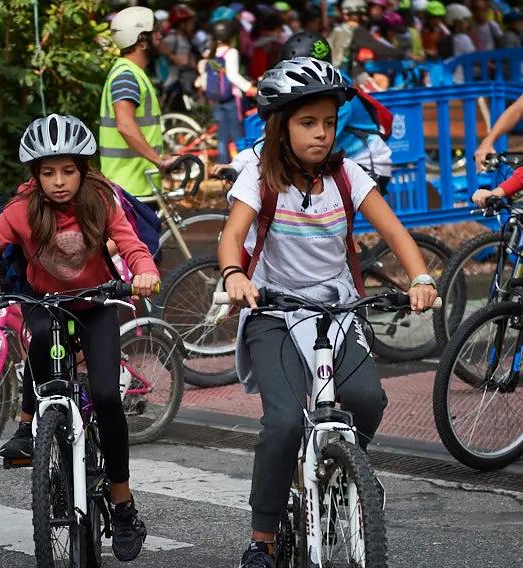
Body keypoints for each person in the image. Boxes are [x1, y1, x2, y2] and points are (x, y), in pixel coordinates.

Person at [217, 57, 437, 568]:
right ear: (280, 126)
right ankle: (262, 537)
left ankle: (344, 465)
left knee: (367, 398)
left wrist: (421, 277)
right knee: (283, 423)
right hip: (272, 306)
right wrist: (234, 275)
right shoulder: (258, 174)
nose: (321, 134)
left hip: (338, 305)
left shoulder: (347, 175)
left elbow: (395, 232)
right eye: (306, 122)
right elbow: (232, 237)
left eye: (328, 122)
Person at [0, 114, 159, 562]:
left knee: (106, 395)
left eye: (68, 170)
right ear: (35, 174)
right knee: (43, 341)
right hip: (45, 303)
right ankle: (38, 425)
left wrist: (143, 271)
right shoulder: (22, 210)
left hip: (96, 303)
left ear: (83, 169)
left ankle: (122, 504)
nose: (59, 181)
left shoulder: (101, 202)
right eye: (48, 172)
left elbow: (131, 244)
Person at [215, 31, 394, 194]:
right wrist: (237, 165)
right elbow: (269, 138)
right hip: (336, 163)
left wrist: (243, 166)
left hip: (365, 167)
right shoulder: (297, 96)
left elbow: (287, 145)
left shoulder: (341, 98)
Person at [101, 6, 180, 199]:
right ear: (142, 41)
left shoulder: (133, 73)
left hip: (137, 184)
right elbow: (125, 125)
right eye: (156, 32)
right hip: (130, 187)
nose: (160, 37)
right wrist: (159, 161)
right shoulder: (126, 77)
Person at [197, 19, 258, 165]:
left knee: (222, 135)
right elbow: (232, 75)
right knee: (237, 134)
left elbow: (204, 73)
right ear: (231, 36)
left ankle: (223, 165)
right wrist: (249, 88)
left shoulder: (210, 53)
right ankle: (242, 165)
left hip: (216, 99)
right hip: (231, 99)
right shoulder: (231, 53)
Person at [329, 0, 407, 78]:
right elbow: (380, 48)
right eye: (362, 14)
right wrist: (406, 56)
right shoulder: (356, 30)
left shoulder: (336, 30)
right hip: (349, 76)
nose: (365, 17)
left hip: (333, 74)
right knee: (381, 82)